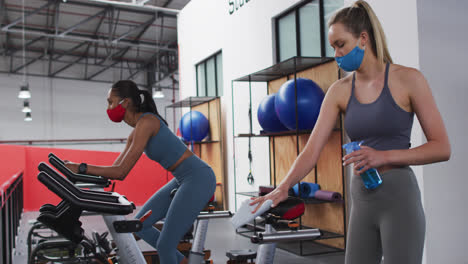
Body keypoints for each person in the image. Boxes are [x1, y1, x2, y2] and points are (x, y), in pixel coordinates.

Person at [250, 1, 450, 263]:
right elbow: (312, 149)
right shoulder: (339, 91)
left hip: (399, 198)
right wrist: (283, 187)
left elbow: (441, 147)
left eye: (341, 44)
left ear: (363, 38)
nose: (336, 54)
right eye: (333, 47)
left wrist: (384, 156)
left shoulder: (409, 79)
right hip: (362, 199)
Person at [64, 80, 216, 264]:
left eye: (111, 102)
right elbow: (114, 168)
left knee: (165, 246)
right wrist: (80, 172)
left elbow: (121, 172)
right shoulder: (136, 131)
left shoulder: (147, 122)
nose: (109, 108)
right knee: (139, 226)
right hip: (181, 179)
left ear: (125, 102)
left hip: (197, 177)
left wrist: (81, 167)